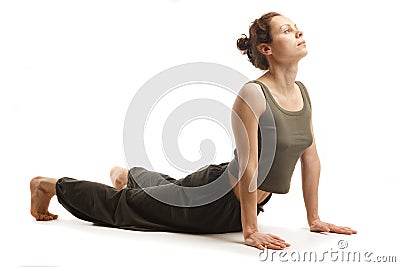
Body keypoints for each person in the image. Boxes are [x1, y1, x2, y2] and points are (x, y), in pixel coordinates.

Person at [29, 11, 357, 251]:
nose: (299, 32)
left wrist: (314, 219)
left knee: (168, 190)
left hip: (241, 204)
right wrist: (250, 231)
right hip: (211, 198)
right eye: (288, 30)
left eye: (297, 27)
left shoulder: (302, 92)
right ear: (268, 49)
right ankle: (49, 186)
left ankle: (129, 174)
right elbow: (248, 166)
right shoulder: (254, 94)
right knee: (125, 209)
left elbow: (310, 157)